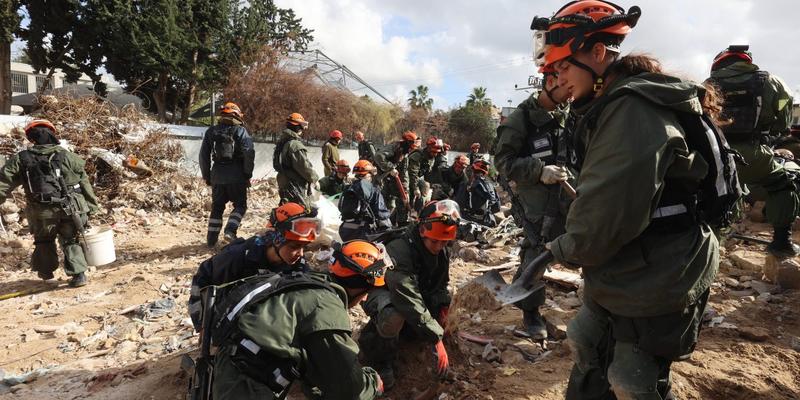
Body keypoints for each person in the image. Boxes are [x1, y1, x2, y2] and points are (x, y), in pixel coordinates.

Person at [535, 1, 719, 398]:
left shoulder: (632, 110)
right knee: (586, 341)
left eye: (563, 66)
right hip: (627, 264)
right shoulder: (611, 105)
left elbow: (603, 217)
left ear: (597, 54)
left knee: (633, 378)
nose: (557, 77)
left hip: (661, 273)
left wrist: (557, 249)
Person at [209, 240, 387, 399]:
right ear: (357, 286)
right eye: (366, 293)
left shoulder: (305, 283)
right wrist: (373, 383)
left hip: (230, 369)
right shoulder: (326, 307)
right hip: (246, 386)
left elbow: (313, 364)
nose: (364, 299)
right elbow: (349, 389)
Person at [493, 70, 572, 339]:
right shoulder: (520, 119)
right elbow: (503, 163)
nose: (571, 91)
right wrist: (538, 170)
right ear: (550, 82)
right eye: (565, 85)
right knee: (537, 250)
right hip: (538, 199)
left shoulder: (570, 113)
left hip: (571, 192)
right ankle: (530, 312)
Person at [706, 45, 798, 257]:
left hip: (715, 153)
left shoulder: (708, 84)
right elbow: (785, 111)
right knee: (783, 184)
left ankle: (709, 245)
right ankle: (781, 242)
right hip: (754, 154)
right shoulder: (772, 82)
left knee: (710, 192)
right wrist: (772, 131)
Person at [358, 199, 459, 389]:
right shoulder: (399, 249)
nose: (439, 247)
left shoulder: (441, 252)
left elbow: (441, 284)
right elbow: (406, 296)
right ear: (422, 232)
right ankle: (380, 361)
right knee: (393, 317)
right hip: (385, 293)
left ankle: (410, 334)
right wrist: (436, 338)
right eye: (435, 241)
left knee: (440, 306)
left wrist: (443, 309)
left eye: (444, 242)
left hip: (412, 295)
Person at [0, 119, 99, 287]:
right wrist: (91, 207)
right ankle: (79, 275)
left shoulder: (21, 159)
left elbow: (3, 182)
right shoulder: (68, 156)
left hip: (41, 211)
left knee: (44, 241)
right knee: (70, 240)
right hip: (71, 208)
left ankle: (46, 273)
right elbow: (84, 183)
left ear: (32, 139)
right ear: (53, 134)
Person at [188, 202, 318, 329]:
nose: (300, 254)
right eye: (294, 246)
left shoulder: (298, 264)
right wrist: (203, 325)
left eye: (303, 247)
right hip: (232, 316)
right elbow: (203, 278)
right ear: (277, 240)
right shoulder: (238, 256)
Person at [199, 102, 255, 246]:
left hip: (217, 175)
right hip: (237, 176)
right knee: (240, 206)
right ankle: (230, 231)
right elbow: (249, 154)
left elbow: (203, 155)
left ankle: (211, 239)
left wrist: (207, 175)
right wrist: (247, 174)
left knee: (217, 207)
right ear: (237, 115)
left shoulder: (211, 131)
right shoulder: (240, 131)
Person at [338, 160, 392, 241]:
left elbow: (340, 207)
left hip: (345, 230)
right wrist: (390, 230)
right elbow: (381, 214)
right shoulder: (372, 190)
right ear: (368, 174)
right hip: (363, 233)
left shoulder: (348, 188)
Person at [373, 131, 418, 225]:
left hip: (393, 179)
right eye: (410, 148)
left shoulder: (405, 154)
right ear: (406, 143)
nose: (411, 150)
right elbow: (378, 156)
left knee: (402, 201)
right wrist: (390, 168)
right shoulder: (393, 147)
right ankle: (381, 223)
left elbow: (404, 173)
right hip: (381, 178)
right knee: (384, 203)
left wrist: (406, 191)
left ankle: (401, 224)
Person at [274, 113, 319, 206]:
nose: (303, 129)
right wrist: (315, 179)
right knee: (297, 211)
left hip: (284, 181)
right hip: (294, 184)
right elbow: (304, 167)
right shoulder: (294, 145)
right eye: (302, 126)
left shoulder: (282, 142)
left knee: (286, 208)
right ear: (297, 127)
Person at [458, 159, 501, 227]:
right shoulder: (490, 184)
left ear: (473, 171)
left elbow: (460, 203)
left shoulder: (467, 185)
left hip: (470, 220)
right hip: (489, 220)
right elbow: (497, 207)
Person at [407, 137, 443, 210]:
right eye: (433, 152)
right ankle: (406, 212)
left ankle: (418, 211)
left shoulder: (431, 158)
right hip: (406, 177)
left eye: (437, 152)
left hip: (416, 178)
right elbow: (412, 174)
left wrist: (432, 184)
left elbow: (427, 174)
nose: (435, 154)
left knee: (426, 185)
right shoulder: (417, 155)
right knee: (409, 195)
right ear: (428, 148)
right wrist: (415, 188)